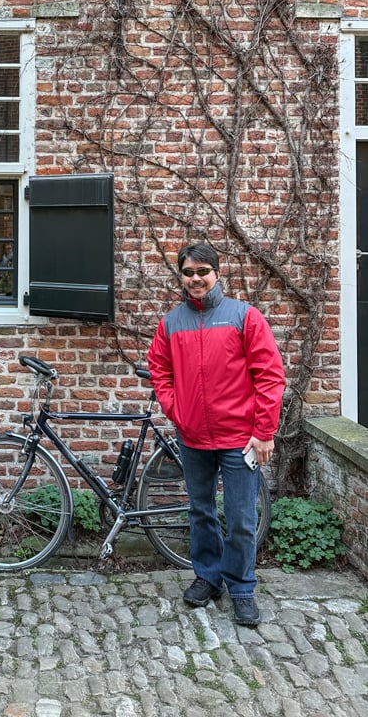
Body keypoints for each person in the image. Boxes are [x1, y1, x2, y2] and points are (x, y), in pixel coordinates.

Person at [147, 242, 285, 627]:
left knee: (241, 516)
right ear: (181, 275)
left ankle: (241, 587)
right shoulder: (171, 322)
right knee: (201, 511)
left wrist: (264, 432)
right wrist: (177, 410)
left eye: (202, 271)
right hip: (193, 438)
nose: (195, 279)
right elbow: (159, 369)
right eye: (188, 272)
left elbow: (270, 377)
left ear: (217, 273)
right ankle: (208, 577)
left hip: (241, 439)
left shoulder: (245, 317)